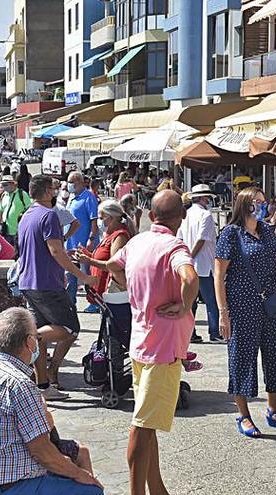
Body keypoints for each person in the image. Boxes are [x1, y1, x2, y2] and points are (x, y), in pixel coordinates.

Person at [105, 190, 198, 495]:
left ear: (151, 216)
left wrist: (133, 288)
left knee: (147, 424)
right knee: (142, 425)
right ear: (180, 217)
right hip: (164, 348)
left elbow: (114, 266)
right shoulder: (175, 246)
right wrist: (184, 306)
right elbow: (190, 277)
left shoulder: (137, 242)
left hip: (141, 343)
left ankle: (157, 489)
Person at [0, 307, 104, 495]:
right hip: (10, 485)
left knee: (73, 466)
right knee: (90, 491)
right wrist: (81, 475)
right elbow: (42, 452)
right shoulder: (18, 384)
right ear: (29, 343)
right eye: (37, 339)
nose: (38, 344)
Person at [213, 187, 276, 438]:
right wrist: (223, 313)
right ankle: (244, 415)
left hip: (269, 304)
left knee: (275, 355)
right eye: (257, 202)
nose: (263, 205)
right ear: (245, 205)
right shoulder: (230, 235)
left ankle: (273, 410)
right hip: (240, 305)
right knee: (242, 358)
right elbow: (219, 275)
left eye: (264, 201)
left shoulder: (267, 231)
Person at [18, 174, 96, 400]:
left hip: (28, 282)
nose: (55, 192)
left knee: (44, 332)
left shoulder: (27, 216)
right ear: (45, 192)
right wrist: (82, 276)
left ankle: (43, 386)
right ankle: (31, 338)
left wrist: (63, 255)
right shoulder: (49, 215)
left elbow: (42, 250)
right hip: (46, 284)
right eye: (52, 189)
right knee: (70, 328)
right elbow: (55, 250)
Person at [178, 184, 224, 344]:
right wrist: (191, 256)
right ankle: (214, 332)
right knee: (211, 301)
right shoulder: (206, 215)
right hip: (204, 264)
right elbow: (202, 239)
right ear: (204, 198)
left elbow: (181, 238)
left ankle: (190, 333)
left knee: (190, 302)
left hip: (189, 265)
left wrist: (186, 258)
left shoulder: (186, 215)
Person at [65, 171, 100, 305]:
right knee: (70, 275)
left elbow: (94, 220)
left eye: (71, 182)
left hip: (83, 243)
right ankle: (70, 302)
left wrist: (91, 238)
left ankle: (94, 302)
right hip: (70, 244)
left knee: (87, 274)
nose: (69, 185)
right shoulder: (72, 197)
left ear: (79, 182)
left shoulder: (88, 197)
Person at [0, 175, 32, 247]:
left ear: (13, 184)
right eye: (3, 185)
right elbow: (1, 211)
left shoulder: (22, 194)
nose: (4, 187)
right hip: (6, 231)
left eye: (6, 185)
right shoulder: (4, 195)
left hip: (18, 231)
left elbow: (29, 209)